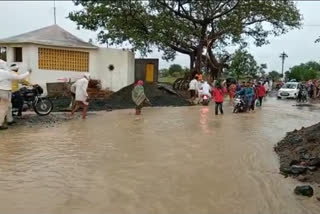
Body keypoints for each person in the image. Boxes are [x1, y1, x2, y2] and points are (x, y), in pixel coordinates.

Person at [0, 60, 30, 130]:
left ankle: (9, 120)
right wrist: (28, 72)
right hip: (5, 91)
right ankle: (0, 124)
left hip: (4, 91)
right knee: (3, 108)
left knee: (8, 106)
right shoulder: (5, 73)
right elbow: (19, 78)